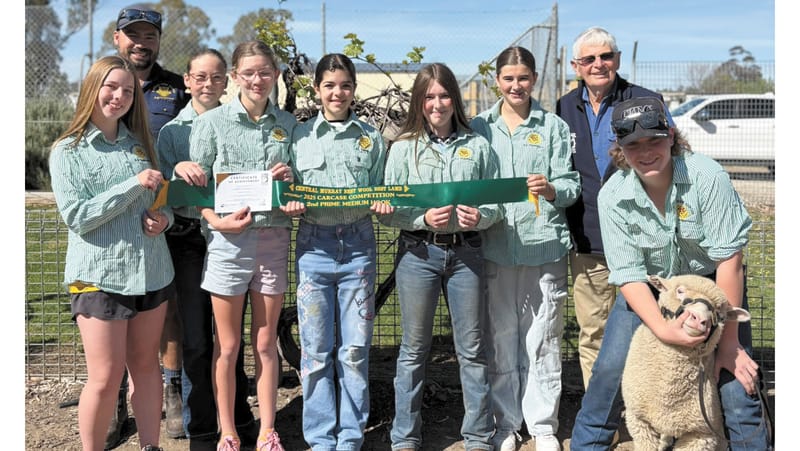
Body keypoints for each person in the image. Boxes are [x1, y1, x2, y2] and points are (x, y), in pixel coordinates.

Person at [569, 97, 770, 450]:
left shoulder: (707, 177)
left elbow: (729, 261)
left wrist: (728, 342)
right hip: (650, 289)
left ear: (672, 136)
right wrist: (663, 329)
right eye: (633, 145)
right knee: (608, 374)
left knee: (736, 384)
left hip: (711, 287)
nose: (645, 152)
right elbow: (629, 273)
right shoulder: (613, 196)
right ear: (620, 147)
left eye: (654, 140)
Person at [49, 55, 174, 451]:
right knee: (104, 377)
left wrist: (164, 220)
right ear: (92, 89)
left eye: (126, 90)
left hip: (152, 272)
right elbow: (78, 217)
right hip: (99, 277)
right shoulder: (68, 150)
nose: (118, 96)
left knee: (147, 368)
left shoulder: (139, 144)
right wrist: (132, 186)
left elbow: (160, 200)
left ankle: (150, 445)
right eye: (111, 87)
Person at [381, 62, 501, 451]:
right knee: (414, 349)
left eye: (444, 95)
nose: (437, 104)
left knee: (472, 349)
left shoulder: (478, 146)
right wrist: (419, 216)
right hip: (418, 254)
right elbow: (388, 206)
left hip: (467, 254)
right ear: (419, 101)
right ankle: (404, 437)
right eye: (429, 96)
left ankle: (478, 436)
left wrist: (482, 216)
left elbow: (499, 203)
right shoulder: (402, 149)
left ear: (455, 99)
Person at [471, 46, 580, 451]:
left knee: (543, 337)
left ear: (535, 79)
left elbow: (570, 185)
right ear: (496, 81)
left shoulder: (551, 126)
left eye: (524, 78)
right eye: (508, 78)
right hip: (496, 246)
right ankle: (506, 422)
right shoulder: (480, 128)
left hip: (543, 245)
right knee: (501, 336)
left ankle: (543, 424)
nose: (516, 86)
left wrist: (551, 189)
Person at [189, 40, 296, 451]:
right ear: (235, 77)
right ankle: (229, 431)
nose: (257, 79)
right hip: (227, 245)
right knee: (228, 345)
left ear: (275, 75)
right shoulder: (212, 123)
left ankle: (269, 430)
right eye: (248, 72)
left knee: (266, 343)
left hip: (272, 241)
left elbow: (294, 191)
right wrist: (218, 221)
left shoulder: (287, 125)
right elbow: (200, 194)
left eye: (265, 71)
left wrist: (290, 185)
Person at [284, 52, 390, 451]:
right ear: (316, 90)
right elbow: (287, 189)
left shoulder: (370, 137)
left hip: (359, 246)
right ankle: (320, 436)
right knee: (315, 351)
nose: (337, 92)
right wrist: (288, 202)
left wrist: (383, 202)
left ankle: (350, 436)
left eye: (344, 85)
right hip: (314, 246)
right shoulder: (300, 137)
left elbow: (382, 187)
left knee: (355, 350)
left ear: (353, 89)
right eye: (329, 85)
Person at [555, 26, 669, 391]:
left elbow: (672, 158)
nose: (598, 64)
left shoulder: (647, 101)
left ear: (617, 60)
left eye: (606, 56)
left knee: (652, 331)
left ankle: (648, 411)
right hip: (589, 241)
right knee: (593, 334)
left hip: (645, 242)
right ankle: (604, 418)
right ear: (576, 65)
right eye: (589, 58)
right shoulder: (562, 108)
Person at [156, 48, 258, 451]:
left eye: (216, 78)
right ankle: (201, 426)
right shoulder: (171, 133)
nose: (208, 84)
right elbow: (161, 185)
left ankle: (238, 415)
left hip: (231, 237)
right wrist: (174, 169)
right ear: (187, 81)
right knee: (197, 338)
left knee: (230, 339)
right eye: (200, 77)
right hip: (189, 241)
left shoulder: (238, 123)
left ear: (226, 81)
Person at [113, 3, 190, 442]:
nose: (141, 43)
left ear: (159, 41)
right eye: (133, 35)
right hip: (116, 221)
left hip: (167, 219)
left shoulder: (176, 89)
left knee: (169, 312)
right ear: (116, 38)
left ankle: (173, 394)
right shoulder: (102, 86)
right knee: (113, 311)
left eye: (149, 36)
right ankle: (116, 399)